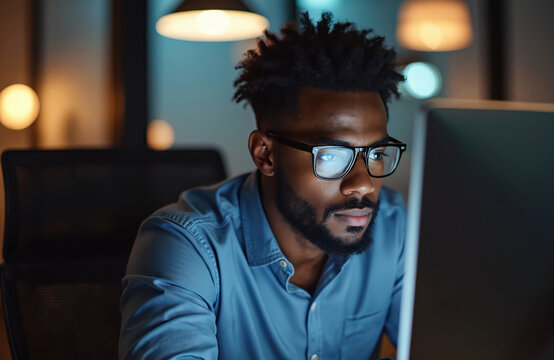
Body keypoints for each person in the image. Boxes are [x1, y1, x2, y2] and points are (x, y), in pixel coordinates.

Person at [120, 12, 407, 360]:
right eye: (331, 156)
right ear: (265, 154)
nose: (363, 184)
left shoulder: (396, 227)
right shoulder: (187, 244)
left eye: (376, 154)